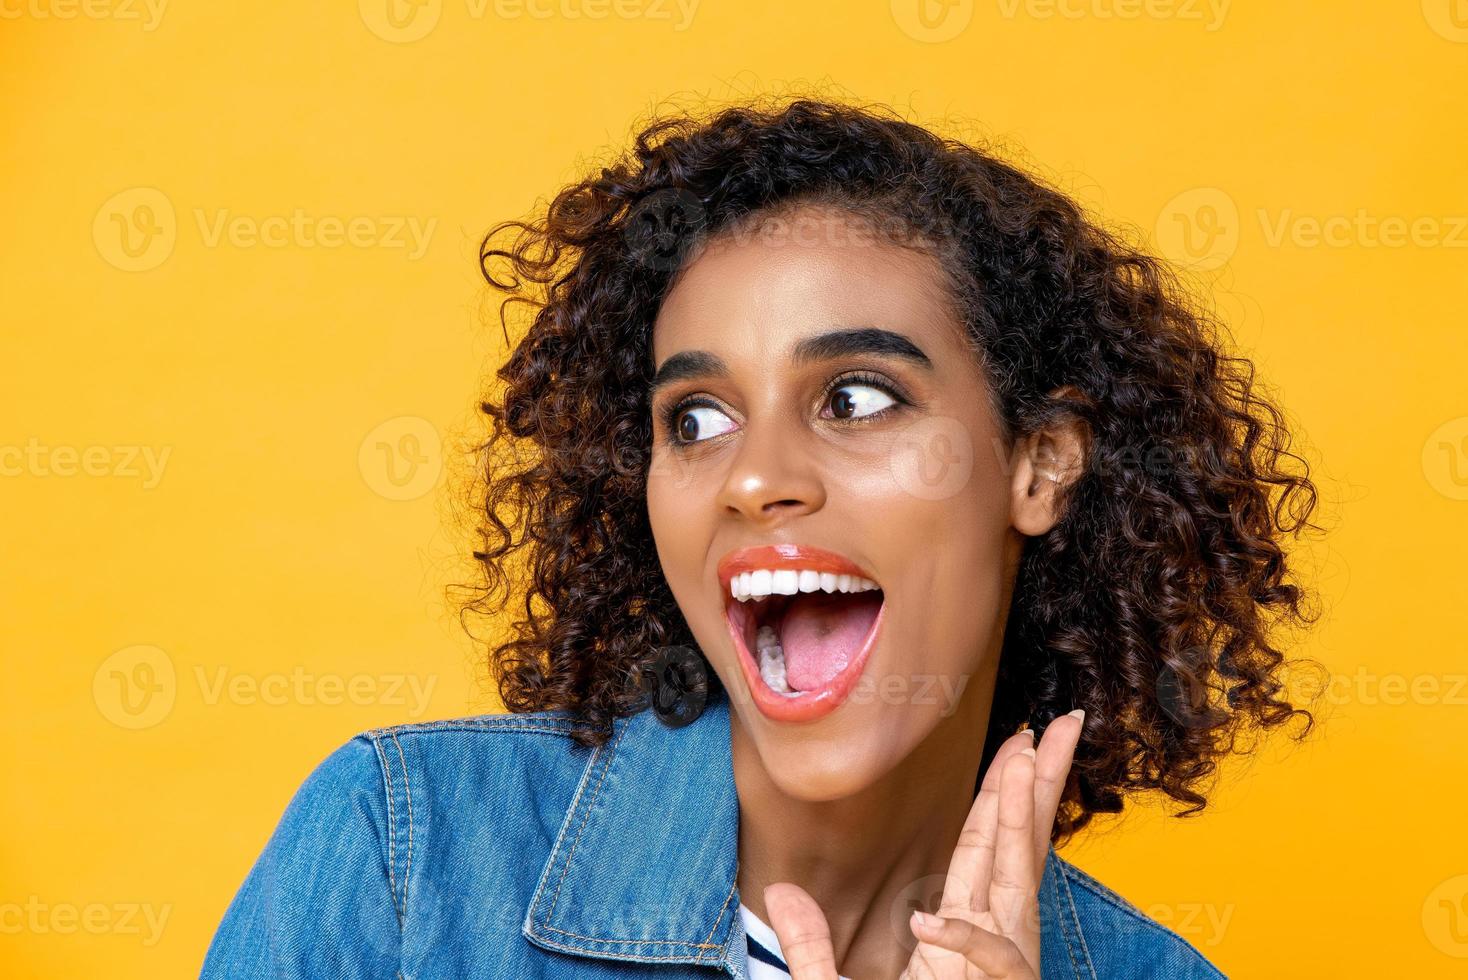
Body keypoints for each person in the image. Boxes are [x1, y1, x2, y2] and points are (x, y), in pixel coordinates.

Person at [201, 98, 1318, 978]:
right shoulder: (411, 854)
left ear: (1040, 462)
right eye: (696, 418)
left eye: (859, 396)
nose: (753, 476)